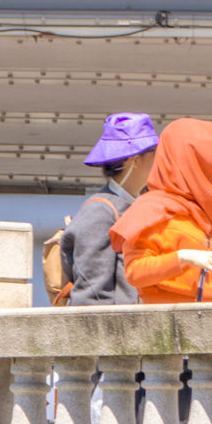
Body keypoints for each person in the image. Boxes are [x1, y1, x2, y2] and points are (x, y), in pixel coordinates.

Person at [108, 117, 212, 304]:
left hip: (205, 320)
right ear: (184, 159)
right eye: (206, 154)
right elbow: (135, 273)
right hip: (167, 325)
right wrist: (184, 257)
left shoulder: (201, 211)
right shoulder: (151, 209)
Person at [57, 112, 159, 305]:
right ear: (135, 160)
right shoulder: (99, 212)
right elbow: (91, 294)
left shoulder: (137, 203)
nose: (159, 160)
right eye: (154, 153)